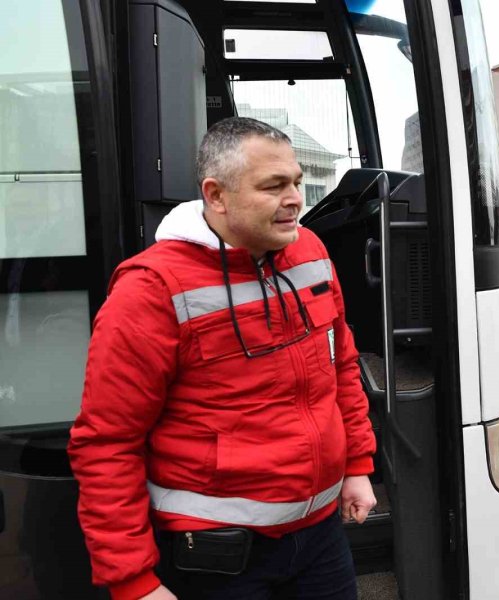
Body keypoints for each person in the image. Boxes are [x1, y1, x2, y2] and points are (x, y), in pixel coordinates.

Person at [68, 117, 377, 600]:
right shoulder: (151, 289)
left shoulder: (310, 251)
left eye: (296, 181)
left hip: (319, 538)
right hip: (217, 557)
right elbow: (107, 442)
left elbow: (341, 366)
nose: (295, 198)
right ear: (216, 195)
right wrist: (133, 581)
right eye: (273, 186)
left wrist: (357, 464)